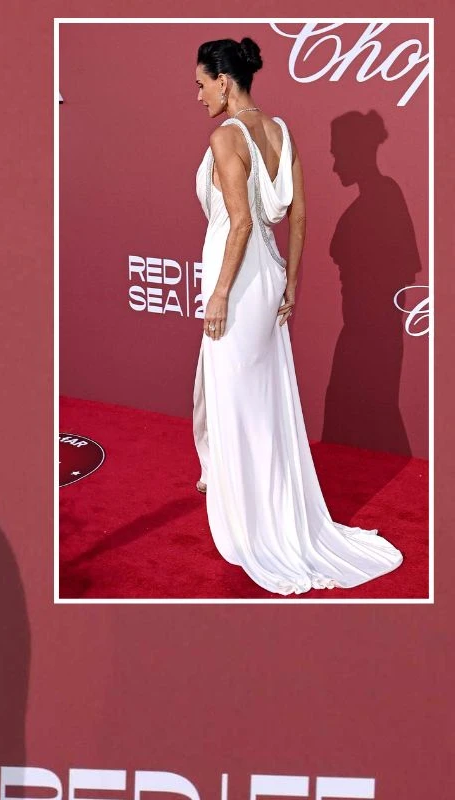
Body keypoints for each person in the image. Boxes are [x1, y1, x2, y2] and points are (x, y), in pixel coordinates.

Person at [190, 37, 403, 596]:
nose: (198, 95)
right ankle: (274, 505)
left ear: (224, 82)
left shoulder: (224, 137)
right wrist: (290, 282)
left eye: (201, 84)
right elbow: (300, 214)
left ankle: (252, 521)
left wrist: (219, 293)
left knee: (239, 400)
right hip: (268, 277)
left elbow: (239, 223)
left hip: (237, 282)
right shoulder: (280, 131)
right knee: (260, 400)